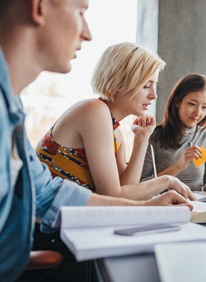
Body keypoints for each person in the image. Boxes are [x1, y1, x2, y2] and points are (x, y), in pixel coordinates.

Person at [0, 1, 191, 281]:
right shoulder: (95, 111)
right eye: (80, 12)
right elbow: (114, 193)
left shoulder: (13, 107)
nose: (88, 33)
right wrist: (164, 184)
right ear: (39, 7)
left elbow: (47, 192)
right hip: (47, 239)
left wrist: (145, 205)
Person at [36, 42, 195, 201]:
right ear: (120, 82)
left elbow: (126, 194)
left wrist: (141, 138)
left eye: (155, 86)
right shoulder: (94, 111)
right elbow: (112, 196)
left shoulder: (115, 134)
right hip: (37, 221)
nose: (154, 95)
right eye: (146, 86)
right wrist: (168, 181)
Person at [141, 74, 206, 192]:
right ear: (177, 102)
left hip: (197, 207)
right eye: (192, 104)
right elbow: (140, 185)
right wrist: (178, 166)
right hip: (164, 206)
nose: (198, 113)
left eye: (204, 107)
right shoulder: (154, 136)